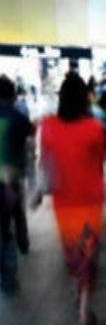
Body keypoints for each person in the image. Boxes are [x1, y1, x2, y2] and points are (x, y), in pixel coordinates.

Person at [33, 73, 106, 325]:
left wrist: (39, 193)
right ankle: (84, 309)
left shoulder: (48, 126)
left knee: (72, 254)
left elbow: (44, 164)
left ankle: (77, 289)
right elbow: (101, 159)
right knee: (88, 255)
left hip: (63, 206)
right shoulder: (94, 128)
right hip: (90, 204)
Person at [0, 75, 34, 294]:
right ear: (12, 96)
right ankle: (9, 279)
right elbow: (30, 135)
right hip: (9, 179)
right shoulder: (17, 118)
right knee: (10, 224)